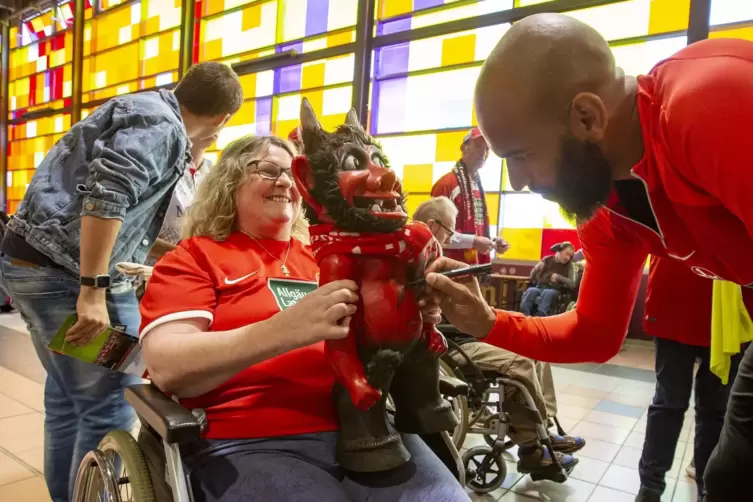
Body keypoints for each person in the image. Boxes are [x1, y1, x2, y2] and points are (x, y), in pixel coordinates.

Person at [419, 14, 753, 501]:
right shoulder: (606, 207)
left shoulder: (708, 104)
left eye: (520, 154)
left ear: (587, 117)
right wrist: (488, 322)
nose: (517, 182)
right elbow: (594, 334)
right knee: (729, 480)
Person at [139, 135, 469, 502]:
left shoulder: (334, 254)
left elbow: (379, 335)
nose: (283, 182)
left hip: (367, 429)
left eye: (290, 175)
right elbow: (167, 364)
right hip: (250, 439)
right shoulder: (195, 258)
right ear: (229, 182)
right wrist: (285, 330)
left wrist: (416, 311)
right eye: (267, 170)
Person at [0, 62, 243, 502]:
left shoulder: (140, 106)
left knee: (66, 398)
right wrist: (92, 289)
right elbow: (107, 199)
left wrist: (179, 257)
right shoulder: (164, 128)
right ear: (224, 118)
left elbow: (125, 219)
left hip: (33, 268)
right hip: (69, 279)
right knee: (111, 400)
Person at [413, 196, 584, 476]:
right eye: (450, 231)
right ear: (432, 225)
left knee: (536, 351)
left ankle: (546, 427)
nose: (452, 238)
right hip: (452, 343)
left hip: (464, 334)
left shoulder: (436, 259)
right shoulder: (420, 264)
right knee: (521, 364)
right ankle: (533, 448)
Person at [638, 257, 744, 502]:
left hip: (722, 308)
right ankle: (654, 488)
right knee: (700, 409)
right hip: (687, 298)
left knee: (684, 407)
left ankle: (657, 488)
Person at [431, 128, 509, 265]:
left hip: (474, 266)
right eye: (478, 146)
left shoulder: (477, 185)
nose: (483, 153)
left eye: (487, 149)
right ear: (464, 148)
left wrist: (492, 241)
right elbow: (436, 234)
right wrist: (473, 241)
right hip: (449, 266)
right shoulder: (446, 184)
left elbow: (473, 230)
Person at [146, 139, 215, 266]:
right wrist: (187, 256)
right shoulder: (158, 168)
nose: (220, 121)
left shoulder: (215, 175)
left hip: (197, 273)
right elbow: (132, 235)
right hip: (149, 272)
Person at [520, 242, 577, 316]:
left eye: (570, 256)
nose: (568, 258)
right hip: (540, 287)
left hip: (555, 290)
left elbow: (572, 284)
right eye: (567, 254)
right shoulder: (547, 260)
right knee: (531, 291)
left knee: (548, 293)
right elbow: (531, 276)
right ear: (559, 250)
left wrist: (558, 277)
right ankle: (524, 316)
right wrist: (536, 268)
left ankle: (540, 317)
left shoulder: (569, 266)